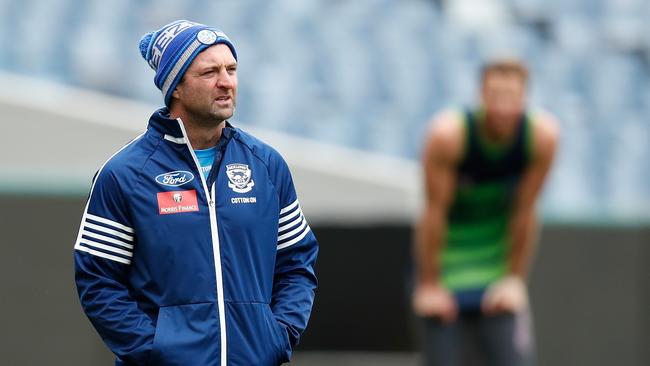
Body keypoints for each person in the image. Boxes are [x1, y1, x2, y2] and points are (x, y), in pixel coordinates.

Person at [73, 20, 318, 366]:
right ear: (176, 87)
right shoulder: (125, 174)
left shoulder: (266, 165)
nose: (226, 82)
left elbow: (297, 262)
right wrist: (155, 352)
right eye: (209, 73)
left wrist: (277, 335)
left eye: (231, 70)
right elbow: (98, 280)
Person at [412, 59, 558, 365]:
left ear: (525, 98)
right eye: (496, 95)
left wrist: (514, 278)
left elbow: (526, 210)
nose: (503, 106)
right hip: (445, 267)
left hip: (495, 269)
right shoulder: (447, 137)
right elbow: (433, 213)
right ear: (481, 95)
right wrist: (430, 284)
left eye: (512, 97)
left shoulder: (542, 139)